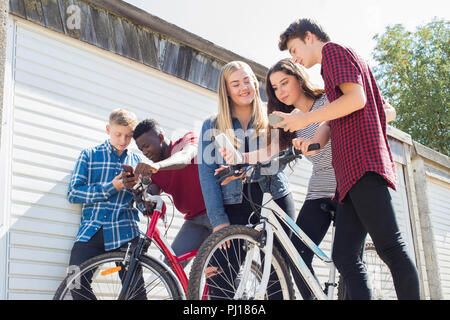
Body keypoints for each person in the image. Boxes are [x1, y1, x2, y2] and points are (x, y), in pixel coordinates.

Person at [274, 18, 420, 300]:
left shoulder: (333, 52)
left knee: (391, 247)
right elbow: (337, 116)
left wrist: (306, 117)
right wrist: (312, 139)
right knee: (344, 255)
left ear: (309, 37)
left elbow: (357, 100)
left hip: (363, 164)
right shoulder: (334, 66)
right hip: (349, 176)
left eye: (294, 50)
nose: (295, 58)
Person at [197, 61, 297, 299]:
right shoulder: (212, 125)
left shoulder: (272, 118)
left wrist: (247, 163)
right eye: (235, 83)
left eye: (247, 80)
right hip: (233, 207)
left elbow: (281, 157)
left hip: (273, 199)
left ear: (255, 82)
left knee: (275, 278)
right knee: (220, 278)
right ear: (227, 90)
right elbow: (207, 175)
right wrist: (218, 221)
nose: (243, 87)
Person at [67, 108, 145, 299]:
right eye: (118, 134)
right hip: (92, 229)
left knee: (136, 293)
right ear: (108, 129)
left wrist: (137, 190)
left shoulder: (137, 162)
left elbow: (144, 206)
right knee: (74, 282)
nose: (123, 140)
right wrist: (112, 187)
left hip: (125, 230)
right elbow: (73, 193)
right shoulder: (89, 155)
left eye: (128, 136)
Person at [122, 118, 211, 266]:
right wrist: (135, 186)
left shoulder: (187, 140)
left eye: (146, 146)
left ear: (161, 137)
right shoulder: (155, 171)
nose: (144, 152)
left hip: (219, 212)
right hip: (195, 220)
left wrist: (156, 166)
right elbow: (151, 195)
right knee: (170, 267)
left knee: (221, 269)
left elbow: (185, 158)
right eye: (141, 149)